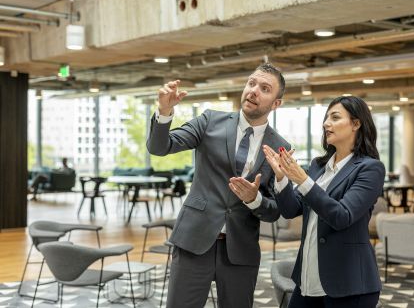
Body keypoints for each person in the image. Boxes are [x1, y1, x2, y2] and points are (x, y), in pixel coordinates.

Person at [147, 63, 291, 308]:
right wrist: (164, 111)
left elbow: (275, 210)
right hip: (194, 240)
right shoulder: (210, 120)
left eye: (265, 88)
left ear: (276, 103)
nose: (254, 90)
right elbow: (161, 147)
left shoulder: (280, 148)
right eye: (251, 83)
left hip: (241, 250)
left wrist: (253, 199)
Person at [263, 96, 384, 308]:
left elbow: (342, 216)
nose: (326, 123)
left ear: (356, 124)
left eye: (335, 117)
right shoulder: (318, 166)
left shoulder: (370, 168)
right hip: (307, 279)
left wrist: (302, 180)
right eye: (326, 118)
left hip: (349, 284)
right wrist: (281, 177)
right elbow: (291, 210)